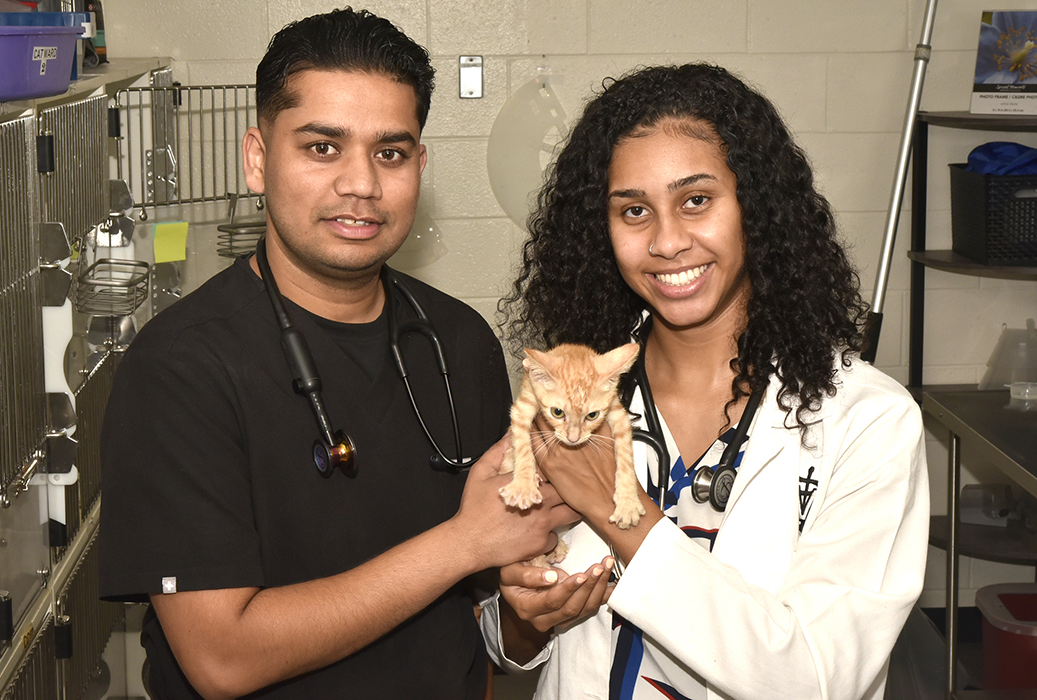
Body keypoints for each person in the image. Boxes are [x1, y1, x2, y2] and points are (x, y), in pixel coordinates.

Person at [97, 8, 577, 700]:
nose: (362, 184)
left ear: (420, 164)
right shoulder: (179, 368)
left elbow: (483, 614)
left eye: (390, 152)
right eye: (323, 147)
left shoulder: (457, 343)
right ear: (258, 159)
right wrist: (462, 542)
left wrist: (534, 618)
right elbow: (222, 659)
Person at [482, 63, 930, 700]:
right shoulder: (571, 400)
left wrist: (620, 516)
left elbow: (815, 679)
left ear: (755, 205)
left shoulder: (868, 422)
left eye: (696, 200)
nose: (667, 241)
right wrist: (524, 626)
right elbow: (512, 639)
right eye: (633, 211)